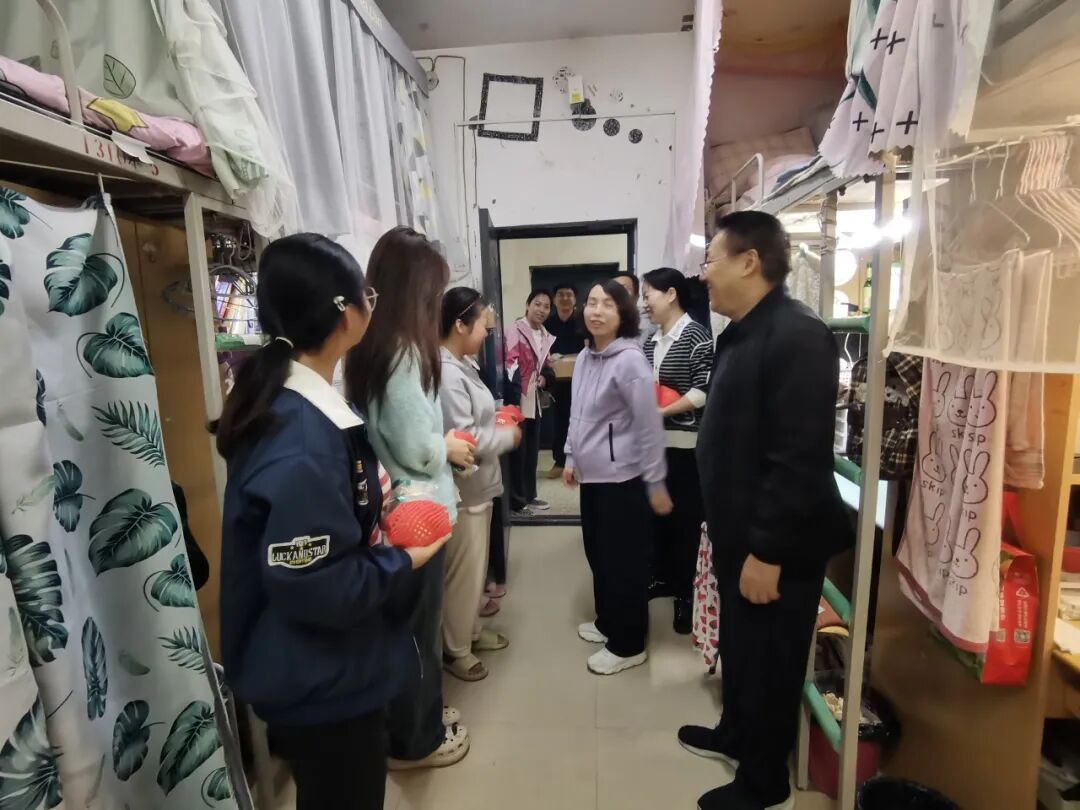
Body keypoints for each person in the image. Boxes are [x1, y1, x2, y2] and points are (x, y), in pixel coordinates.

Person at [216, 234, 448, 810]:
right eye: (368, 294)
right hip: (320, 681)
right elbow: (318, 584)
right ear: (347, 314)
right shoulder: (301, 439)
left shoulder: (308, 407)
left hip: (333, 666)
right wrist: (404, 560)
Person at [682, 211, 852, 810]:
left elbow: (797, 459)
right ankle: (735, 732)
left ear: (749, 262)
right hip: (739, 532)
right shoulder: (742, 331)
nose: (703, 274)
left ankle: (764, 781)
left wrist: (767, 552)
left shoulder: (798, 335)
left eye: (711, 260)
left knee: (771, 658)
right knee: (743, 647)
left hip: (774, 543)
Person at [346, 226, 476, 771]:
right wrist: (449, 446)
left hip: (400, 510)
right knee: (417, 634)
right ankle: (416, 741)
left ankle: (417, 718)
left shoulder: (377, 347)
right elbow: (417, 448)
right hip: (415, 515)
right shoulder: (401, 354)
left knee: (410, 629)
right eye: (434, 290)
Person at [563, 279, 672, 675]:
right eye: (591, 302)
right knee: (599, 554)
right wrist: (570, 456)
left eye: (607, 304)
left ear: (623, 313)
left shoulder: (630, 362)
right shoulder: (584, 356)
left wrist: (656, 482)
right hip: (592, 478)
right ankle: (609, 621)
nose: (596, 310)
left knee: (624, 562)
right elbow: (577, 413)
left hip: (624, 480)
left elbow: (648, 427)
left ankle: (629, 644)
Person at [439, 288, 521, 681]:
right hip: (466, 489)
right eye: (482, 326)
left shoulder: (463, 364)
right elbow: (464, 437)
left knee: (475, 572)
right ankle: (455, 649)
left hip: (481, 486)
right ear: (459, 324)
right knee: (464, 575)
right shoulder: (445, 372)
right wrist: (507, 436)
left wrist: (500, 417)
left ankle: (469, 631)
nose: (487, 333)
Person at [641, 267, 714, 635]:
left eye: (648, 295)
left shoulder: (696, 336)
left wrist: (662, 411)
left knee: (686, 521)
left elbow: (703, 391)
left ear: (671, 294)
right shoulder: (650, 341)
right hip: (655, 446)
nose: (644, 304)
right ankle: (663, 579)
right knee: (659, 518)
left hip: (686, 446)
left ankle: (686, 593)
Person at [504, 289, 555, 517]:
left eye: (546, 306)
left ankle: (529, 495)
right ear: (527, 305)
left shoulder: (545, 334)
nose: (541, 309)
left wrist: (546, 377)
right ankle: (517, 502)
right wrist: (514, 402)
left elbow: (548, 366)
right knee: (518, 453)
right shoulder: (515, 330)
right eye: (537, 304)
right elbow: (510, 366)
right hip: (519, 399)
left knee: (532, 451)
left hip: (535, 399)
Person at [545, 283, 585, 479]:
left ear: (575, 299)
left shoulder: (582, 321)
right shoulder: (548, 323)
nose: (565, 298)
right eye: (560, 294)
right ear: (554, 300)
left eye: (569, 294)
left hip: (582, 379)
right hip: (557, 381)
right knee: (560, 421)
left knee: (582, 420)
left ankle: (580, 463)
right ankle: (560, 462)